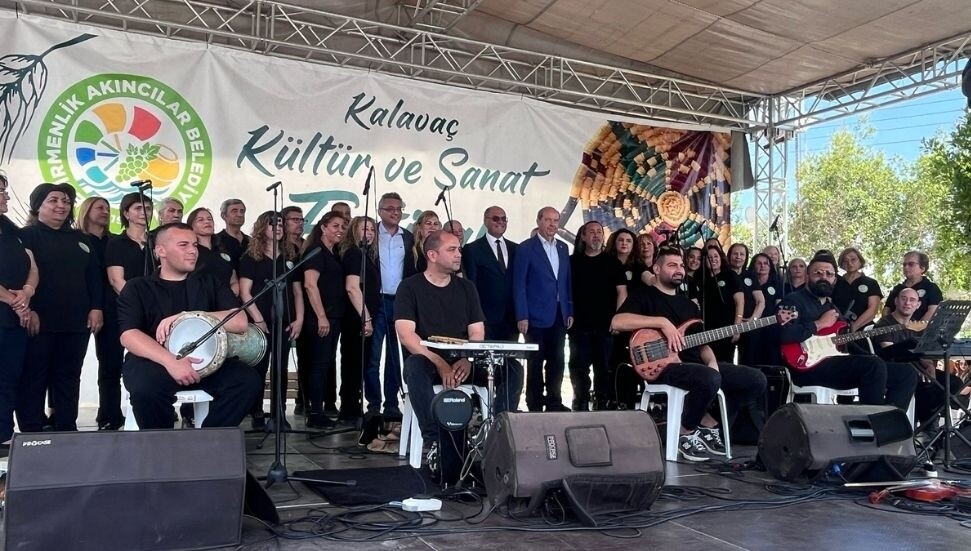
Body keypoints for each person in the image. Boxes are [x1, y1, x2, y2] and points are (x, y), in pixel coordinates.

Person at [611, 246, 767, 462]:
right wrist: (662, 323)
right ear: (656, 269)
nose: (679, 270)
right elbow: (617, 322)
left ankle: (708, 423)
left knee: (756, 380)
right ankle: (684, 431)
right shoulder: (643, 296)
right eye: (672, 265)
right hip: (663, 366)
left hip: (696, 365)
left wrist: (712, 362)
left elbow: (703, 344)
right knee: (709, 378)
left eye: (681, 265)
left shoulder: (689, 305)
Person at [119, 223, 262, 429]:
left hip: (207, 362)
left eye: (194, 245)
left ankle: (207, 439)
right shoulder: (137, 287)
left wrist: (188, 316)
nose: (193, 250)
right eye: (183, 245)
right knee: (145, 390)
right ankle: (161, 443)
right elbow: (129, 335)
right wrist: (171, 362)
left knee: (247, 382)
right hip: (154, 362)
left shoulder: (210, 283)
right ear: (161, 251)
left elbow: (239, 321)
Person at [398, 231, 518, 457]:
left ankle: (499, 435)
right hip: (429, 361)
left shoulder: (467, 287)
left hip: (464, 362)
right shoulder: (410, 287)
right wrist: (440, 363)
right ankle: (435, 440)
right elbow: (406, 335)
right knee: (414, 366)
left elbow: (477, 331)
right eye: (451, 250)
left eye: (459, 249)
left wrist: (469, 358)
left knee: (512, 369)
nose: (459, 255)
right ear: (432, 255)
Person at [778, 253, 917, 411]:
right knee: (873, 366)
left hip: (836, 363)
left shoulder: (832, 308)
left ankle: (890, 420)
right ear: (807, 276)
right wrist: (819, 324)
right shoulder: (793, 301)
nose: (824, 277)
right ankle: (874, 421)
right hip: (807, 367)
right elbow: (783, 334)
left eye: (829, 274)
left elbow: (847, 341)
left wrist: (872, 356)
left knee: (906, 373)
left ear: (834, 280)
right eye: (818, 273)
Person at [17, 183, 103, 432]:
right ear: (38, 206)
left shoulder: (81, 239)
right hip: (39, 319)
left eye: (65, 201)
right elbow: (19, 276)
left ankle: (66, 425)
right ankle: (32, 427)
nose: (61, 206)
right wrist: (28, 309)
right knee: (34, 375)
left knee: (69, 374)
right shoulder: (25, 236)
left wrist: (96, 307)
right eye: (53, 200)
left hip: (75, 320)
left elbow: (94, 276)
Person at [239, 211, 304, 429]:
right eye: (272, 224)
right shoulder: (251, 257)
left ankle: (279, 413)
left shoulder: (289, 256)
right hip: (260, 321)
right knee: (259, 365)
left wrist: (299, 318)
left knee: (280, 367)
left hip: (284, 319)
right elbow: (245, 292)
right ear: (261, 228)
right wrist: (258, 320)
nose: (277, 228)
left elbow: (297, 291)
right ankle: (257, 411)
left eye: (281, 224)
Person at [872, 288, 968, 430]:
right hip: (897, 371)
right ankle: (927, 427)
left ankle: (931, 420)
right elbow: (891, 353)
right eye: (904, 298)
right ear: (896, 301)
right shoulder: (884, 324)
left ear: (918, 305)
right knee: (926, 386)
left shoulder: (917, 326)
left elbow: (923, 353)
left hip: (918, 368)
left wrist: (929, 366)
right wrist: (917, 368)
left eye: (912, 300)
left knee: (954, 383)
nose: (907, 303)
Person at [461, 206, 523, 412]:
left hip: (510, 320)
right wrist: (475, 318)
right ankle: (482, 411)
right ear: (486, 220)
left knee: (510, 368)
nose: (500, 222)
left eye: (504, 219)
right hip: (484, 320)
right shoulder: (472, 249)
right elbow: (471, 286)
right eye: (496, 218)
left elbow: (520, 284)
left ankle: (504, 413)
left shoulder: (516, 249)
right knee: (485, 367)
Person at [513, 206, 573, 412]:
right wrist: (522, 315)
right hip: (534, 315)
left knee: (557, 360)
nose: (552, 224)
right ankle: (535, 402)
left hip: (559, 313)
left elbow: (566, 282)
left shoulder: (563, 248)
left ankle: (555, 401)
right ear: (539, 221)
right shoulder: (526, 248)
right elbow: (519, 285)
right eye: (548, 220)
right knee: (536, 361)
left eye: (556, 220)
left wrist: (569, 310)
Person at [568, 220, 625, 411]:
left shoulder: (613, 262)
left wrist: (618, 319)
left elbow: (622, 293)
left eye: (599, 232)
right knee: (578, 366)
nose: (596, 235)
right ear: (583, 236)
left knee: (604, 367)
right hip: (579, 325)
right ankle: (580, 401)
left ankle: (602, 402)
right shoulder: (572, 262)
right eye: (591, 232)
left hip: (606, 325)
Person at [78, 196, 125, 430]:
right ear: (86, 211)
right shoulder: (76, 239)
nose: (105, 211)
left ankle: (110, 412)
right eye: (99, 207)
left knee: (110, 363)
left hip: (111, 308)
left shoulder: (114, 241)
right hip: (79, 306)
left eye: (107, 207)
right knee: (68, 365)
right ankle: (58, 413)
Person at [369, 192, 417, 417]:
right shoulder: (371, 235)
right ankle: (373, 404)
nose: (395, 212)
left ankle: (391, 404)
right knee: (373, 356)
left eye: (399, 209)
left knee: (395, 356)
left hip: (400, 302)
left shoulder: (408, 237)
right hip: (376, 301)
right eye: (390, 208)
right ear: (380, 211)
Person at [0, 174, 38, 443]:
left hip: (14, 319)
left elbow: (32, 266)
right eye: (1, 191)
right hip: (10, 309)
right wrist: (14, 301)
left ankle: (3, 434)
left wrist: (26, 293)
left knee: (9, 377)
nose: (6, 196)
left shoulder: (12, 230)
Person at [302, 213, 347, 427]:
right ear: (323, 227)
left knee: (325, 363)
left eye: (343, 226)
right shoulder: (316, 251)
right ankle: (315, 413)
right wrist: (321, 316)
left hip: (334, 315)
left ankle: (318, 410)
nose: (340, 230)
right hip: (321, 318)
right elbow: (310, 285)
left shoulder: (333, 252)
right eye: (335, 226)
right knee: (319, 364)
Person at [339, 216, 381, 422]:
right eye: (365, 229)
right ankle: (349, 408)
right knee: (353, 362)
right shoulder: (354, 254)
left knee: (359, 363)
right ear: (354, 231)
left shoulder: (365, 255)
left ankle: (352, 406)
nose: (369, 233)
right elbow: (352, 287)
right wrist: (366, 318)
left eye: (372, 230)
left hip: (364, 316)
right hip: (356, 318)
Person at [106, 192, 157, 295]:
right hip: (128, 301)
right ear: (126, 214)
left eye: (148, 209)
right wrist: (136, 300)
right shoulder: (117, 243)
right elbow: (116, 281)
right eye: (138, 208)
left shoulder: (157, 241)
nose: (144, 212)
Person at [186, 207, 238, 295]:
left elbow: (234, 281)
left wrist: (229, 297)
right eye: (200, 220)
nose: (207, 222)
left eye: (209, 219)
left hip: (227, 300)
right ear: (191, 226)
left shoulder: (222, 249)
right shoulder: (189, 251)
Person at [832, 247, 883, 332]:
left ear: (860, 261)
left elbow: (872, 309)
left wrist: (854, 327)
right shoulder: (835, 282)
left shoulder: (870, 283)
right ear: (841, 264)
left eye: (853, 259)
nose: (850, 263)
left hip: (864, 331)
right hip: (837, 329)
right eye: (845, 261)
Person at [884, 251, 942, 322]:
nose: (906, 267)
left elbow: (933, 312)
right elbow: (886, 310)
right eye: (904, 264)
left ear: (922, 268)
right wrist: (889, 325)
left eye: (911, 264)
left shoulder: (931, 288)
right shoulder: (897, 289)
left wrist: (915, 328)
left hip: (921, 328)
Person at [606, 228, 645, 293]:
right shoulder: (606, 262)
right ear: (615, 243)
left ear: (633, 245)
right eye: (621, 240)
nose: (624, 243)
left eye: (628, 241)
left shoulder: (638, 264)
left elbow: (647, 276)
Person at [217, 198, 249, 272]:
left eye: (242, 211)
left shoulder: (251, 241)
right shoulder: (216, 240)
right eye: (234, 211)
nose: (239, 214)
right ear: (223, 216)